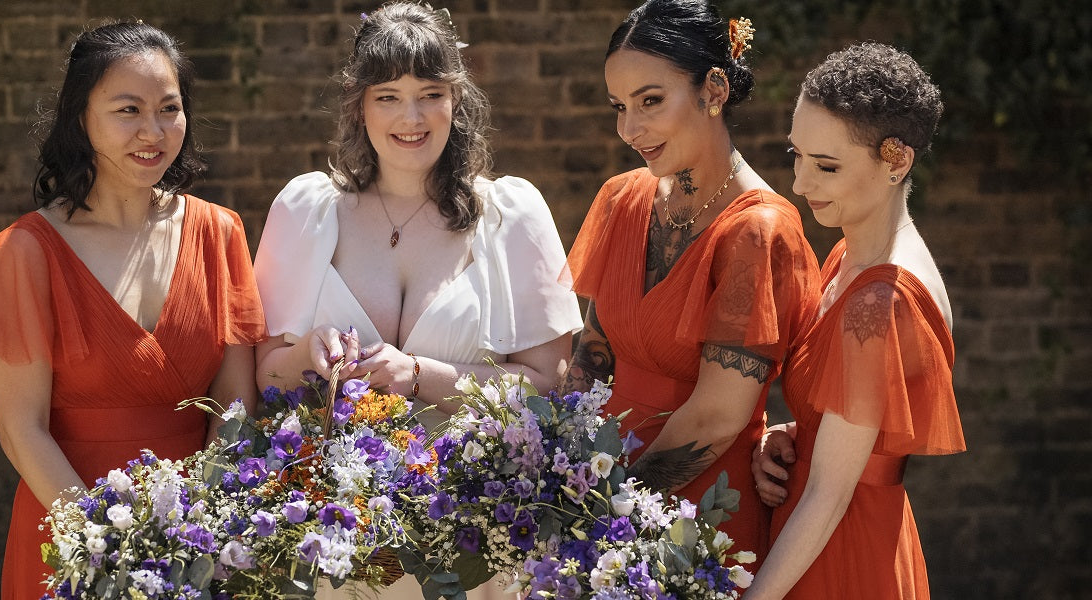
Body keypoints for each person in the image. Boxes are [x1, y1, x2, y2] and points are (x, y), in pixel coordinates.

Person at [252, 2, 582, 595]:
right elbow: (267, 379)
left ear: (456, 99)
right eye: (388, 96)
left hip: (474, 537)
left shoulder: (512, 215)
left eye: (430, 93)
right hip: (339, 543)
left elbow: (551, 384)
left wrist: (420, 373)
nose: (412, 116)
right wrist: (307, 351)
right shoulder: (304, 210)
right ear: (359, 105)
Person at [0, 22, 265, 598]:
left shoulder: (219, 233)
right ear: (81, 118)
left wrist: (197, 536)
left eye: (169, 109)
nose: (153, 131)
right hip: (69, 541)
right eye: (128, 109)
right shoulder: (24, 254)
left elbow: (234, 408)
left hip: (200, 548)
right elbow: (21, 431)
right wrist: (107, 551)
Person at [561, 0, 822, 566]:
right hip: (593, 491)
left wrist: (607, 513)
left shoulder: (758, 231)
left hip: (698, 516)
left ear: (713, 90)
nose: (630, 128)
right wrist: (552, 464)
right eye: (619, 106)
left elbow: (717, 418)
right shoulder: (622, 197)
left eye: (650, 101)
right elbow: (594, 352)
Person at [746, 42, 967, 599]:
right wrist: (795, 435)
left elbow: (830, 493)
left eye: (826, 166)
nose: (800, 183)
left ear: (896, 161)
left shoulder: (879, 299)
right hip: (824, 529)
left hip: (838, 552)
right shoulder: (850, 257)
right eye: (795, 154)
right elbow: (861, 432)